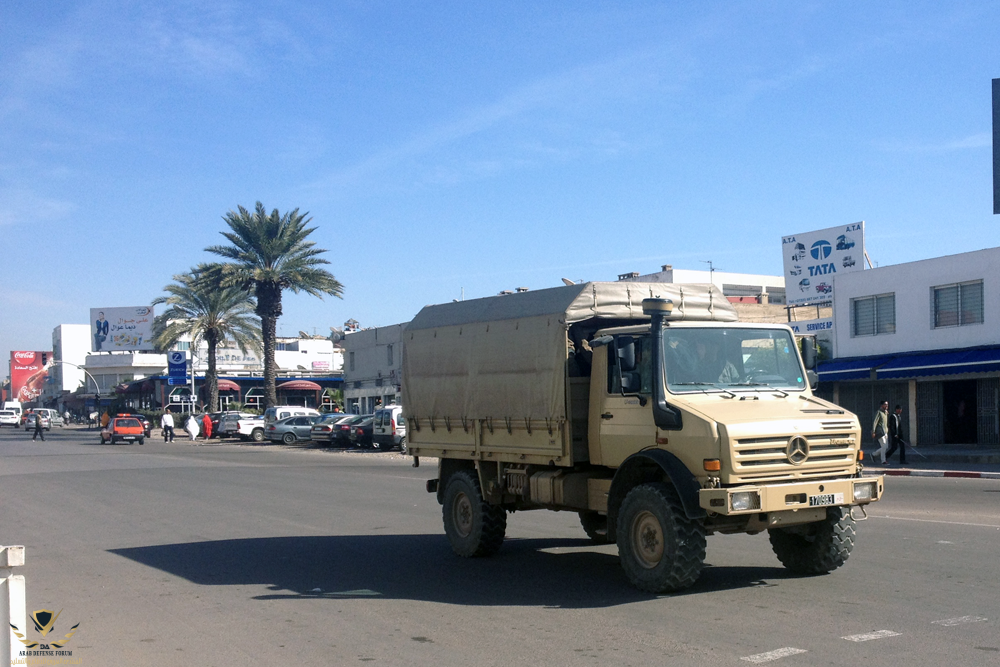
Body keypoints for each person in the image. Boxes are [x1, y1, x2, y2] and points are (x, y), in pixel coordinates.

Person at [871, 400, 890, 466]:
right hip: (880, 432)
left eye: (887, 404)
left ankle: (874, 454)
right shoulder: (878, 412)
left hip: (885, 432)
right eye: (885, 404)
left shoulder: (885, 413)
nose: (887, 406)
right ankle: (883, 461)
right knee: (884, 446)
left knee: (886, 447)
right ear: (881, 405)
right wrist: (873, 431)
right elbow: (875, 422)